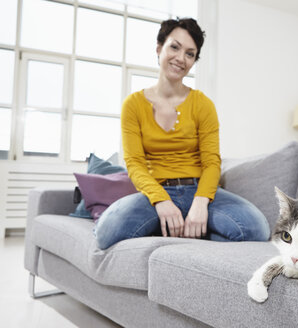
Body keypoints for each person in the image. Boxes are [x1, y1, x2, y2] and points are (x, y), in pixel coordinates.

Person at [95, 18, 270, 250]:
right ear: (159, 48)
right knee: (107, 232)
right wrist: (161, 200)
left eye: (190, 54)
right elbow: (134, 163)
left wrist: (200, 202)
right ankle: (178, 227)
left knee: (257, 227)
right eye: (174, 47)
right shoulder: (133, 104)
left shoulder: (203, 104)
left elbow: (211, 162)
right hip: (156, 195)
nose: (180, 58)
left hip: (199, 191)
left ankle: (183, 232)